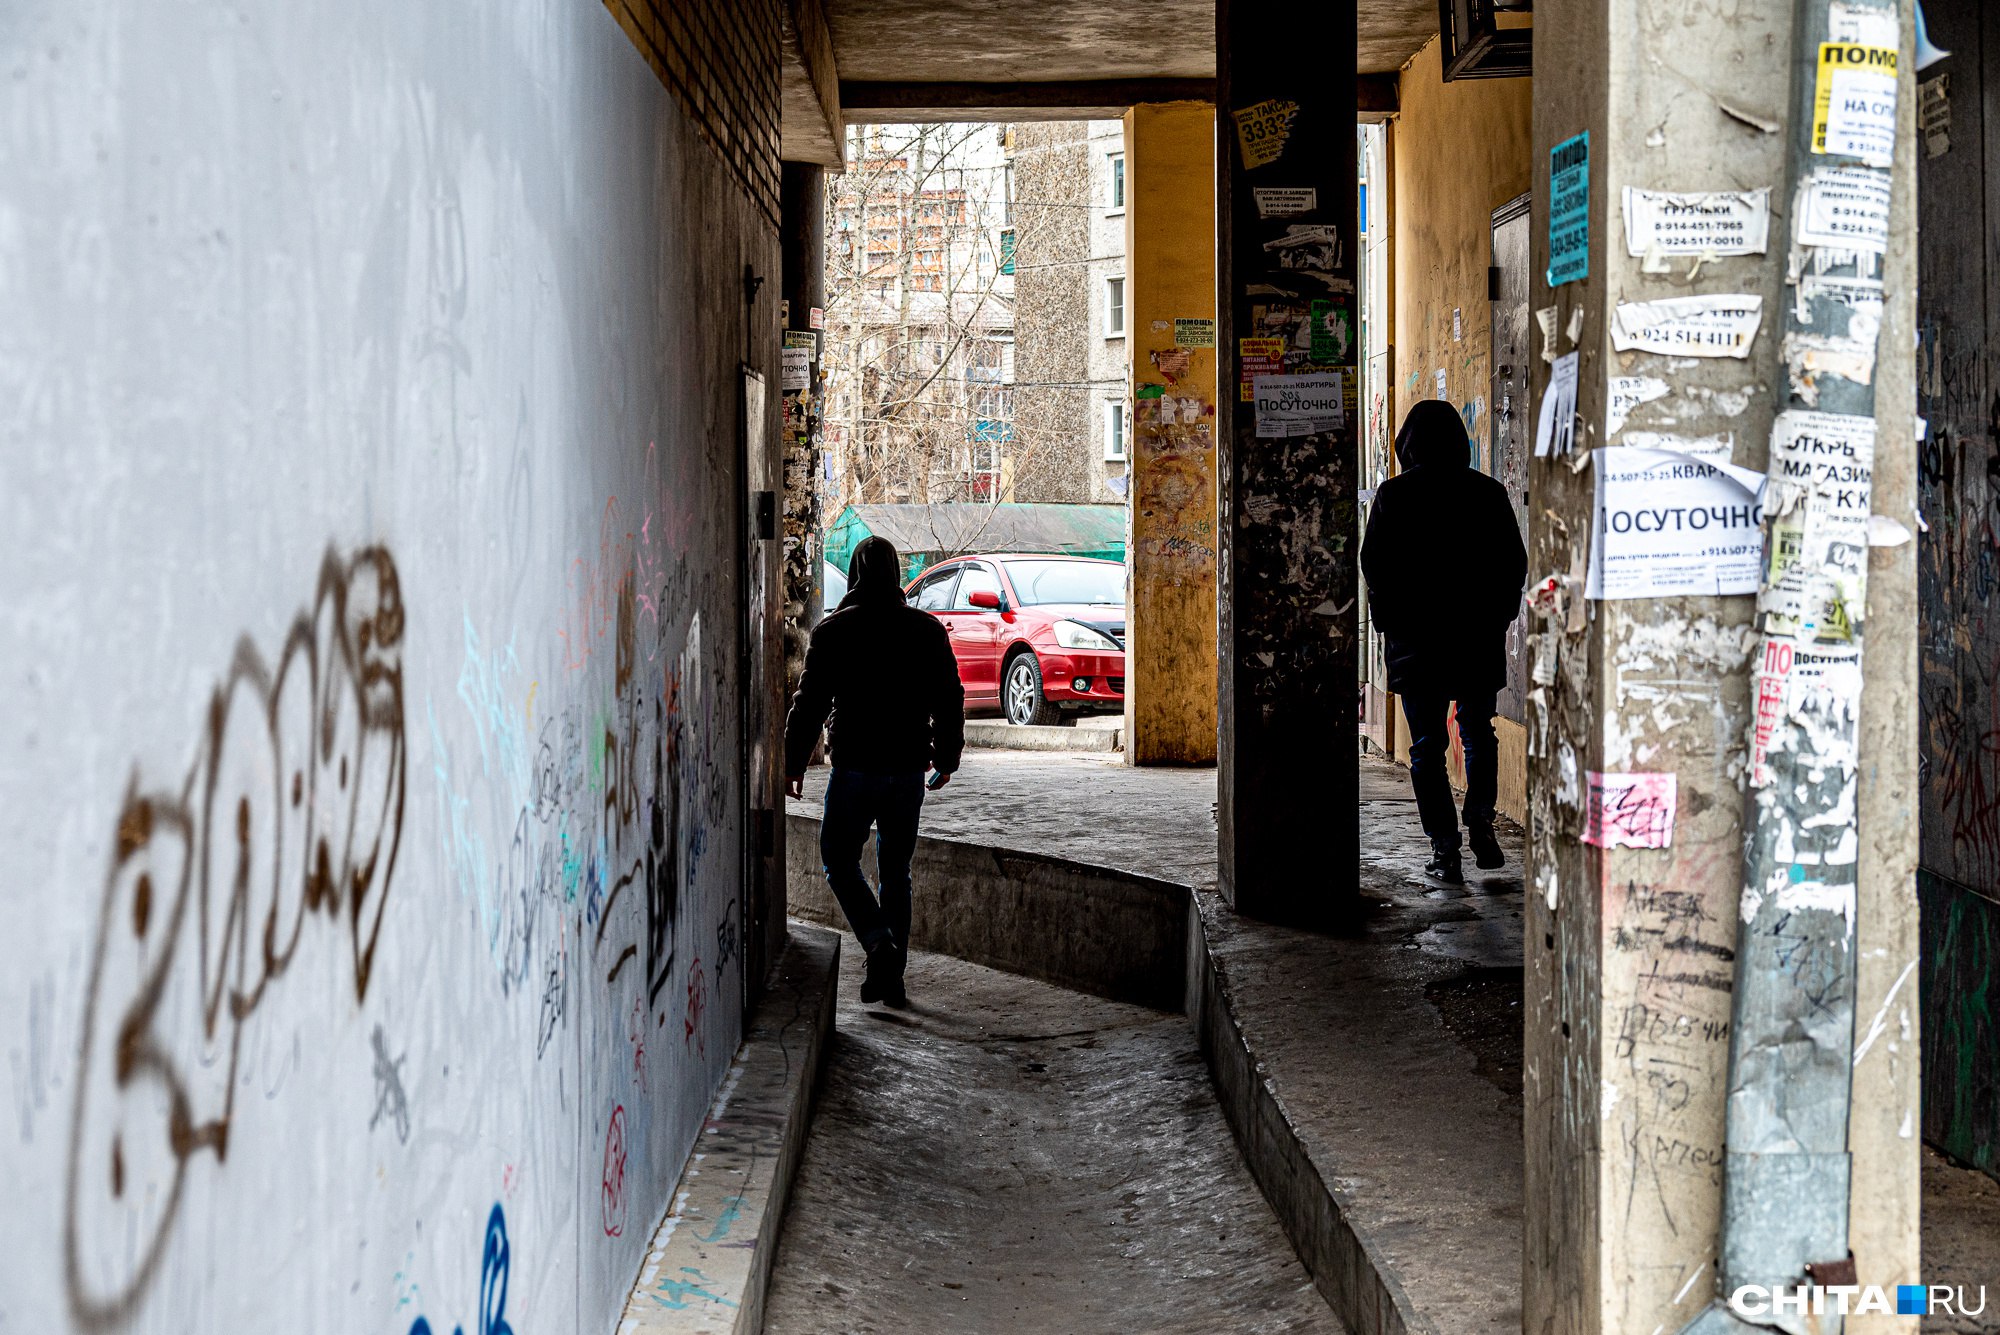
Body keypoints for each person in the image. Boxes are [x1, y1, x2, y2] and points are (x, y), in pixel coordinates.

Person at [784, 536, 965, 1004]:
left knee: (838, 860)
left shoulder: (834, 632)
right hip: (907, 771)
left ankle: (878, 943)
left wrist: (792, 762)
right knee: (896, 871)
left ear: (856, 573)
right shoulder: (926, 630)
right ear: (896, 573)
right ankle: (892, 976)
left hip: (855, 770)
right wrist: (946, 757)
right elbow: (950, 697)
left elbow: (809, 704)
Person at [1359, 400, 1528, 885]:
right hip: (1475, 638)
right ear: (1460, 441)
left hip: (1417, 643)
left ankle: (1445, 849)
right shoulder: (1488, 494)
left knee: (1427, 746)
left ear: (1409, 444)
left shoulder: (1394, 496)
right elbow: (1511, 564)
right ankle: (1480, 821)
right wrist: (1498, 617)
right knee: (1478, 731)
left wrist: (1390, 621)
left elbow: (1376, 566)